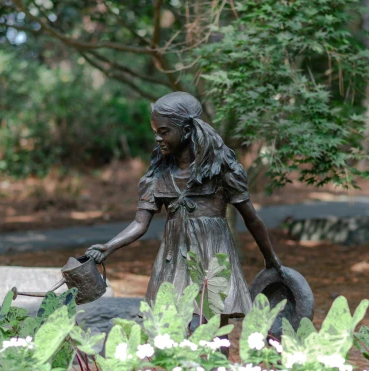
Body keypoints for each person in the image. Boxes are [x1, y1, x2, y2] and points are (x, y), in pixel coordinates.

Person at [85, 91, 282, 329]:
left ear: (187, 131)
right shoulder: (158, 177)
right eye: (156, 132)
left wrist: (271, 259)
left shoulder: (221, 171)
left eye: (164, 131)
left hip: (212, 255)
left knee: (210, 326)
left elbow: (251, 218)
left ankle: (215, 367)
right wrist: (108, 247)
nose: (158, 138)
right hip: (173, 259)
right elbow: (139, 224)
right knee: (173, 324)